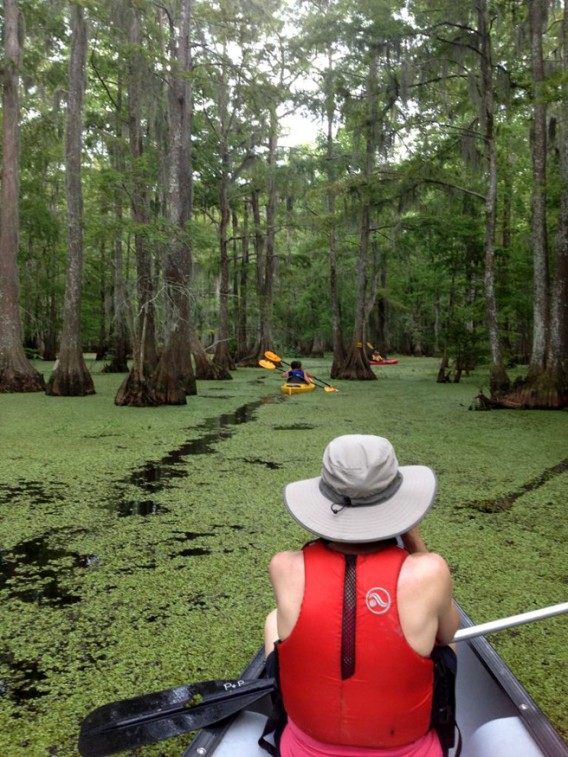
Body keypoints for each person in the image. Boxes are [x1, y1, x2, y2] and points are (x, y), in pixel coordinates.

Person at [263, 434, 460, 757]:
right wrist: (415, 543)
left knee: (274, 619)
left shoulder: (283, 566)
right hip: (409, 750)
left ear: (325, 499)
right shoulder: (431, 572)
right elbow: (450, 633)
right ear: (397, 504)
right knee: (444, 637)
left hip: (301, 750)